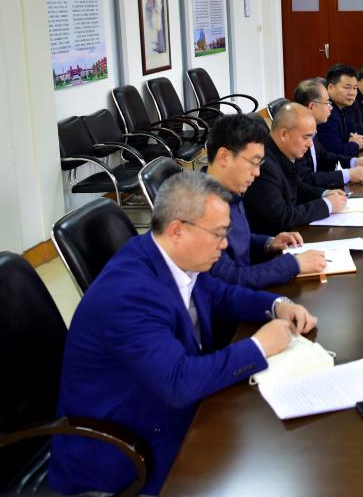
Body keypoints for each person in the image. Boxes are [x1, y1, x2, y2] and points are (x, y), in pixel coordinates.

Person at [48, 172, 318, 495]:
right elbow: (179, 382)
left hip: (164, 405)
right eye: (219, 234)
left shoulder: (171, 254)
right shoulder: (129, 295)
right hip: (124, 450)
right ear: (177, 230)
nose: (225, 244)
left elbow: (220, 294)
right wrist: (259, 346)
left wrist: (277, 305)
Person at [205, 113, 326, 287]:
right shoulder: (201, 209)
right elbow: (229, 280)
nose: (257, 172)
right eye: (253, 162)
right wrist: (293, 264)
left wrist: (269, 243)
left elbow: (239, 240)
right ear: (224, 156)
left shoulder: (230, 191)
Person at [243, 103, 347, 235]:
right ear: (284, 134)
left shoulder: (281, 152)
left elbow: (298, 186)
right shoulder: (263, 165)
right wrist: (328, 205)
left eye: (312, 137)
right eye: (306, 137)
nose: (310, 144)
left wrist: (325, 194)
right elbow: (281, 216)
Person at [294, 78, 363, 187]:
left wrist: (354, 162)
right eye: (327, 103)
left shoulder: (313, 129)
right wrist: (347, 175)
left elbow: (324, 156)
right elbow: (305, 178)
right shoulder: (297, 134)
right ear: (311, 107)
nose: (330, 107)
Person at [320, 63, 363, 156]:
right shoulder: (326, 113)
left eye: (355, 88)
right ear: (330, 88)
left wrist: (352, 142)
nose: (352, 93)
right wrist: (354, 145)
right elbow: (333, 153)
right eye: (347, 88)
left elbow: (355, 133)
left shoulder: (346, 106)